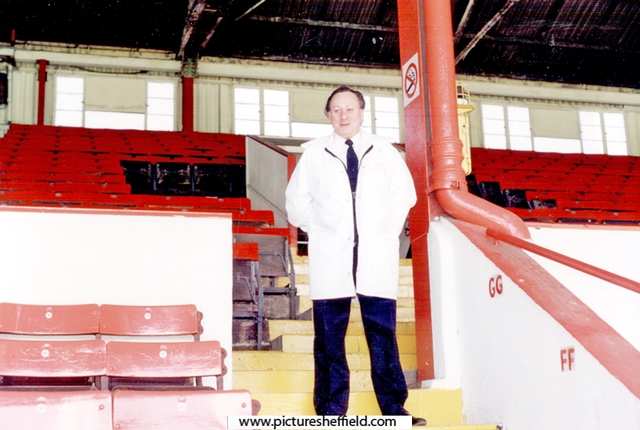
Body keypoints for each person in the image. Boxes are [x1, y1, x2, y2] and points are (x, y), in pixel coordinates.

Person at [285, 86, 425, 425]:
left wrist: (385, 231)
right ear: (328, 115)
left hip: (375, 256)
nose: (343, 115)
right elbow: (296, 203)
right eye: (336, 110)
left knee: (383, 336)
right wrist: (321, 230)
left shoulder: (385, 151)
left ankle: (395, 410)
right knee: (329, 339)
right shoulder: (314, 153)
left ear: (362, 112)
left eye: (349, 109)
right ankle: (330, 413)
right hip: (330, 257)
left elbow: (404, 195)